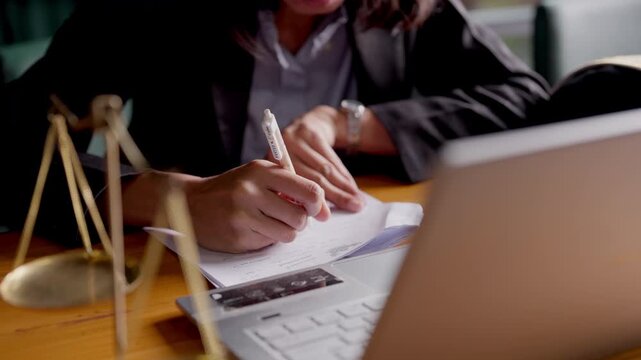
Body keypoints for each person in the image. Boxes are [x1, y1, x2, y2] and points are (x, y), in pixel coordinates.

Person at [0, 0, 549, 253]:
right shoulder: (145, 11)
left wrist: (350, 122)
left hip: (355, 264)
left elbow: (527, 99)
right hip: (167, 285)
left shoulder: (407, 9)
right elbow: (10, 148)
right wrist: (175, 200)